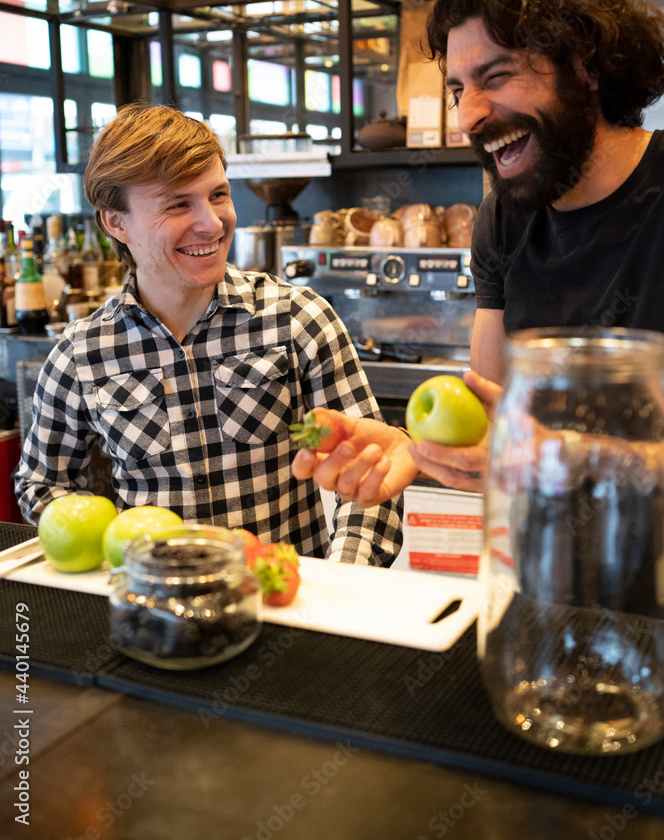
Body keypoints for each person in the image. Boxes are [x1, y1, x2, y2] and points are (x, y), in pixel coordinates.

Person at [292, 0, 664, 502]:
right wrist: (413, 450)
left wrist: (568, 457)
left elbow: (541, 453)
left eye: (496, 77)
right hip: (546, 571)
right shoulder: (504, 219)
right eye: (459, 89)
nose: (469, 115)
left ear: (586, 67)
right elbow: (493, 426)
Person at [15, 104, 410, 566]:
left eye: (219, 195)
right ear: (116, 223)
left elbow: (371, 470)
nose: (213, 222)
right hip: (154, 611)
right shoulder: (80, 353)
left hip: (289, 606)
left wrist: (344, 584)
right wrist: (111, 553)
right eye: (179, 204)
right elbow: (43, 486)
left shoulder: (296, 318)